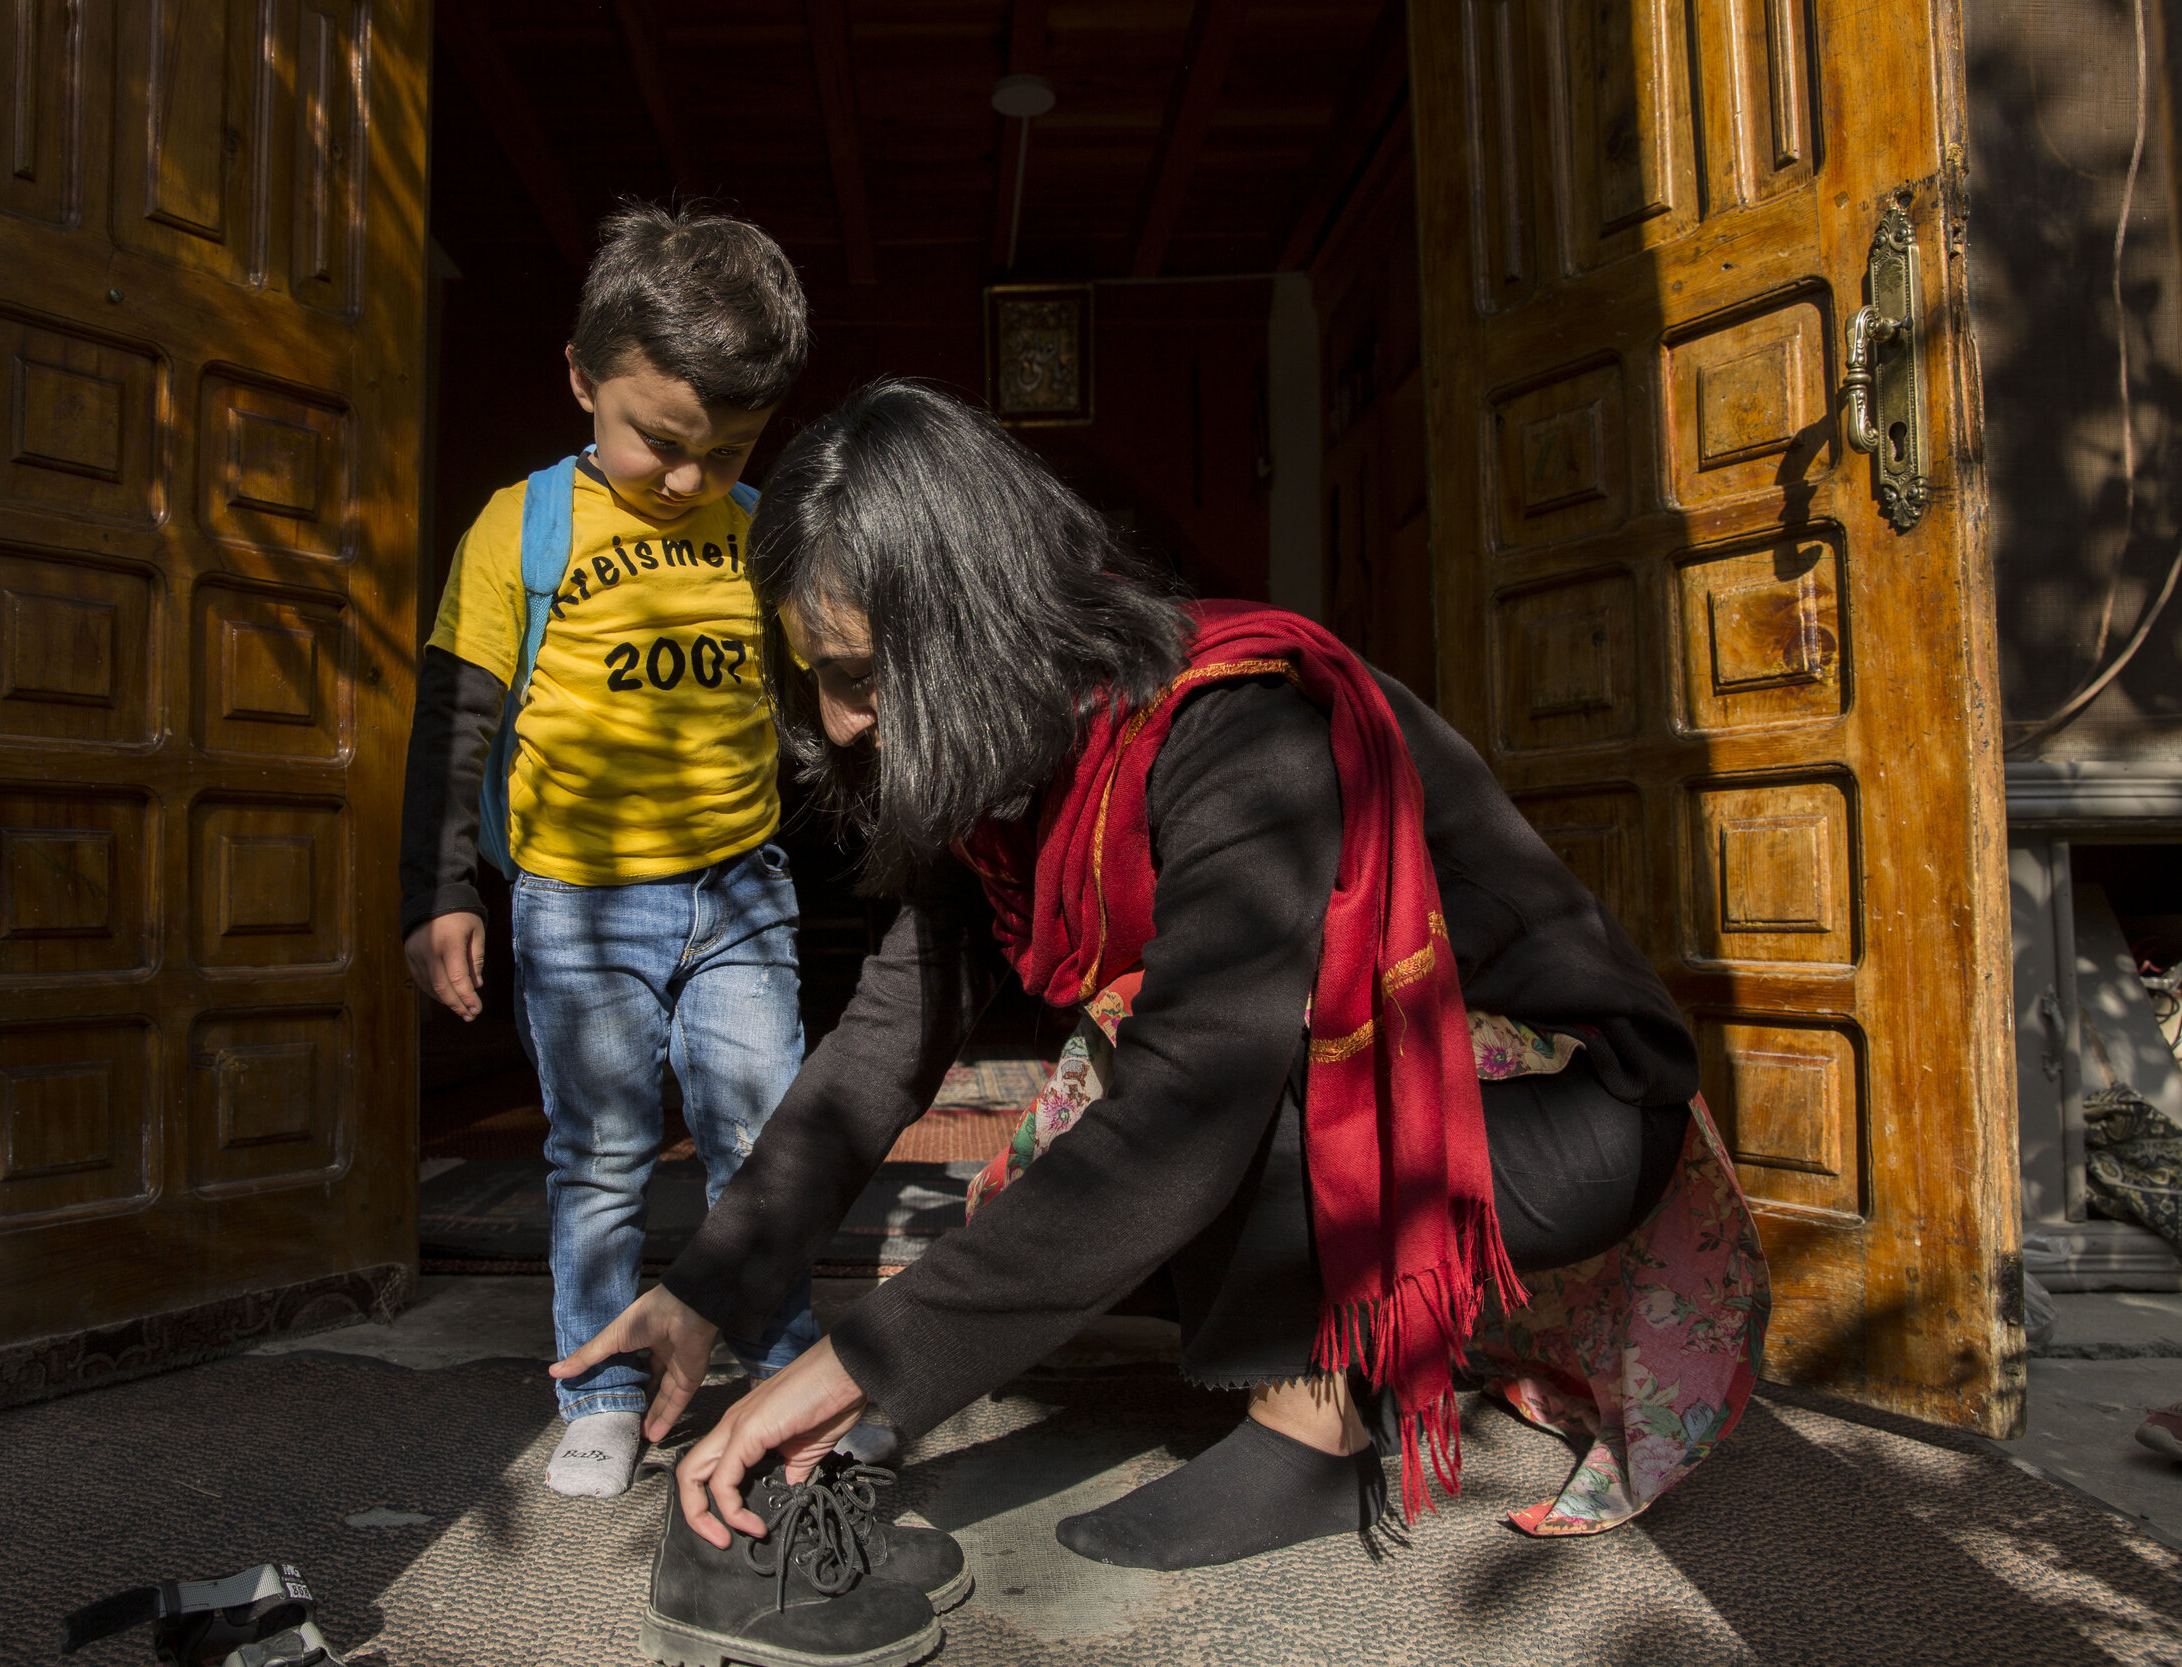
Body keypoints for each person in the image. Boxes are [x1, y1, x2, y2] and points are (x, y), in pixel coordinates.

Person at [558, 382, 1760, 1667]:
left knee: (1203, 1069)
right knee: (1106, 1123)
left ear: (976, 627)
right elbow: (883, 1043)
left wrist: (864, 1358)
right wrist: (703, 1290)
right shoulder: (998, 766)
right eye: (821, 681)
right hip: (1382, 1101)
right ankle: (1308, 1344)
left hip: (1553, 1105)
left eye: (860, 678)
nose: (842, 722)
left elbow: (1191, 1108)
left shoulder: (1238, 724)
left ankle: (1312, 1446)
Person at [400, 202, 829, 1500]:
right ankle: (599, 1383)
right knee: (598, 1148)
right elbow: (454, 718)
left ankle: (785, 1365)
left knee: (766, 1130)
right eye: (663, 443)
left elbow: (825, 701)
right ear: (582, 377)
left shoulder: (760, 532)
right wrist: (438, 897)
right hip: (579, 905)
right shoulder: (519, 528)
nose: (693, 480)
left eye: (734, 448)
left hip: (742, 890)